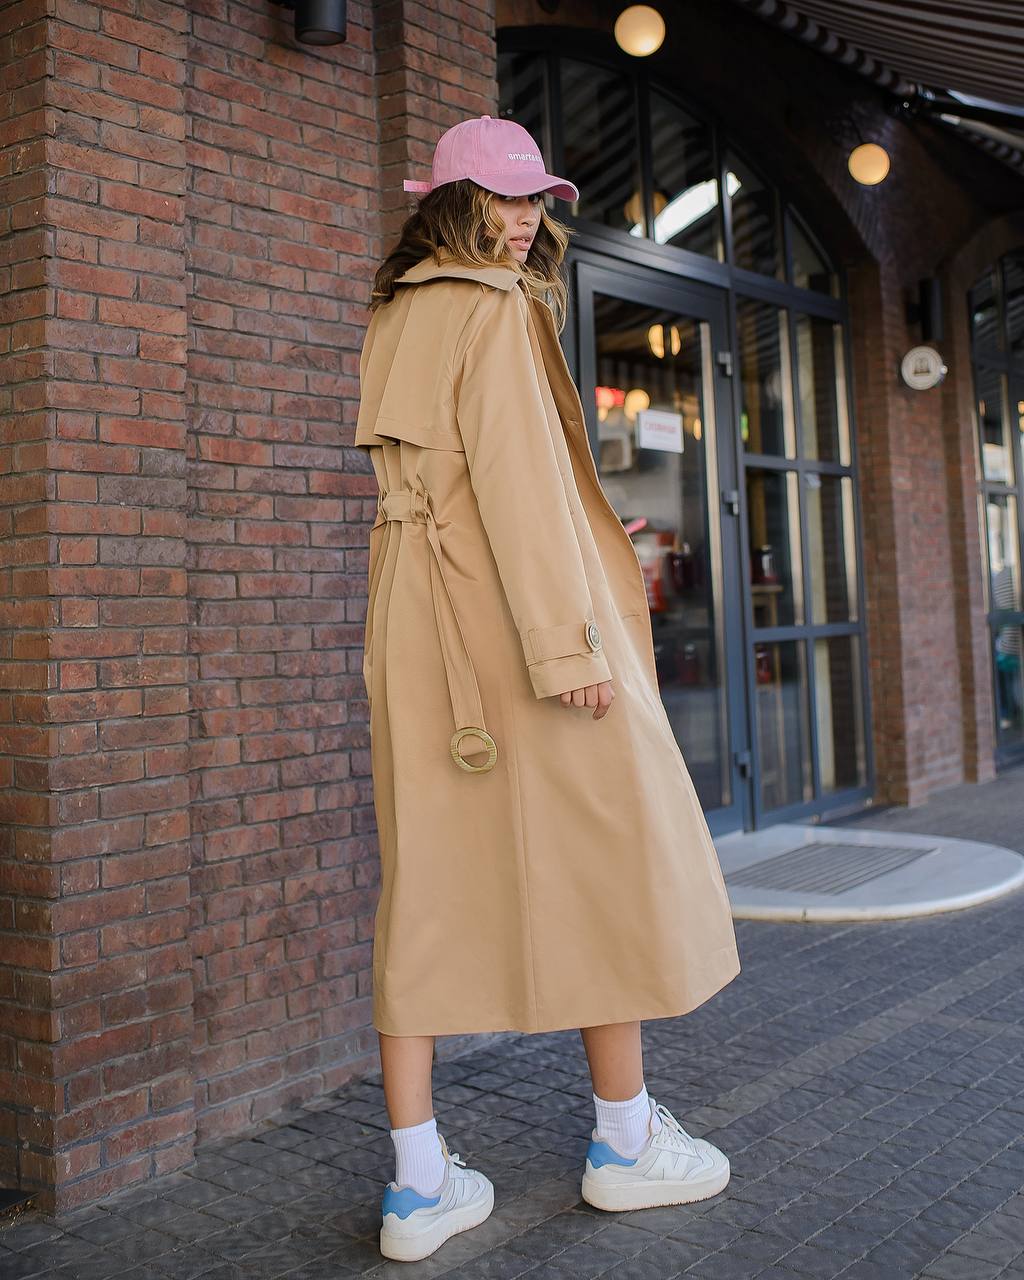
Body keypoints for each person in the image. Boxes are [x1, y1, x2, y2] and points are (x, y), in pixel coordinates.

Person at [354, 114, 742, 1263]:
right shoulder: (493, 310)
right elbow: (522, 493)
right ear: (448, 204)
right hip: (510, 619)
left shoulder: (397, 312)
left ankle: (418, 1183)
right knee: (609, 848)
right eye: (500, 200)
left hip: (416, 624)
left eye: (534, 202)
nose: (523, 221)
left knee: (420, 881)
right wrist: (568, 651)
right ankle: (623, 1141)